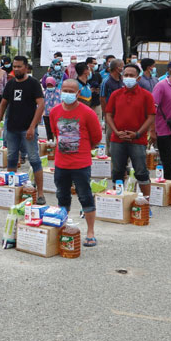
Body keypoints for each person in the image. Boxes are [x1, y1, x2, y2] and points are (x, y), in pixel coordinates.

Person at [48, 79, 103, 247]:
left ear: (78, 93)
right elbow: (55, 133)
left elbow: (97, 138)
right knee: (62, 196)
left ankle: (91, 232)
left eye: (72, 91)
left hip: (81, 163)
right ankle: (63, 227)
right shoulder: (55, 112)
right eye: (65, 90)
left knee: (85, 196)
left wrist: (84, 148)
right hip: (61, 163)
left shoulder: (87, 113)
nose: (68, 94)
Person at [0, 56, 46, 204]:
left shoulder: (33, 83)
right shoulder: (10, 84)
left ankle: (40, 193)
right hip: (12, 129)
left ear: (26, 67)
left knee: (34, 159)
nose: (16, 69)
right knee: (11, 159)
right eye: (14, 67)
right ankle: (11, 191)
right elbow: (2, 105)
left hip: (27, 130)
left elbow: (41, 105)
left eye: (19, 66)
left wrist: (32, 127)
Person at [105, 65, 156, 199]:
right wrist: (115, 131)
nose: (128, 78)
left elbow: (151, 116)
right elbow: (109, 114)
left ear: (138, 78)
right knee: (117, 171)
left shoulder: (146, 96)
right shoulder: (116, 95)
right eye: (125, 75)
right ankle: (118, 200)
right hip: (117, 139)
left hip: (138, 140)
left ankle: (145, 202)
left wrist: (138, 133)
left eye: (131, 75)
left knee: (141, 171)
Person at [43, 76, 61, 141]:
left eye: (51, 85)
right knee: (49, 131)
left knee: (57, 130)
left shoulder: (59, 92)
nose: (50, 86)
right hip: (46, 115)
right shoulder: (44, 92)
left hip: (57, 115)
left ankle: (58, 144)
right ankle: (50, 145)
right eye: (48, 85)